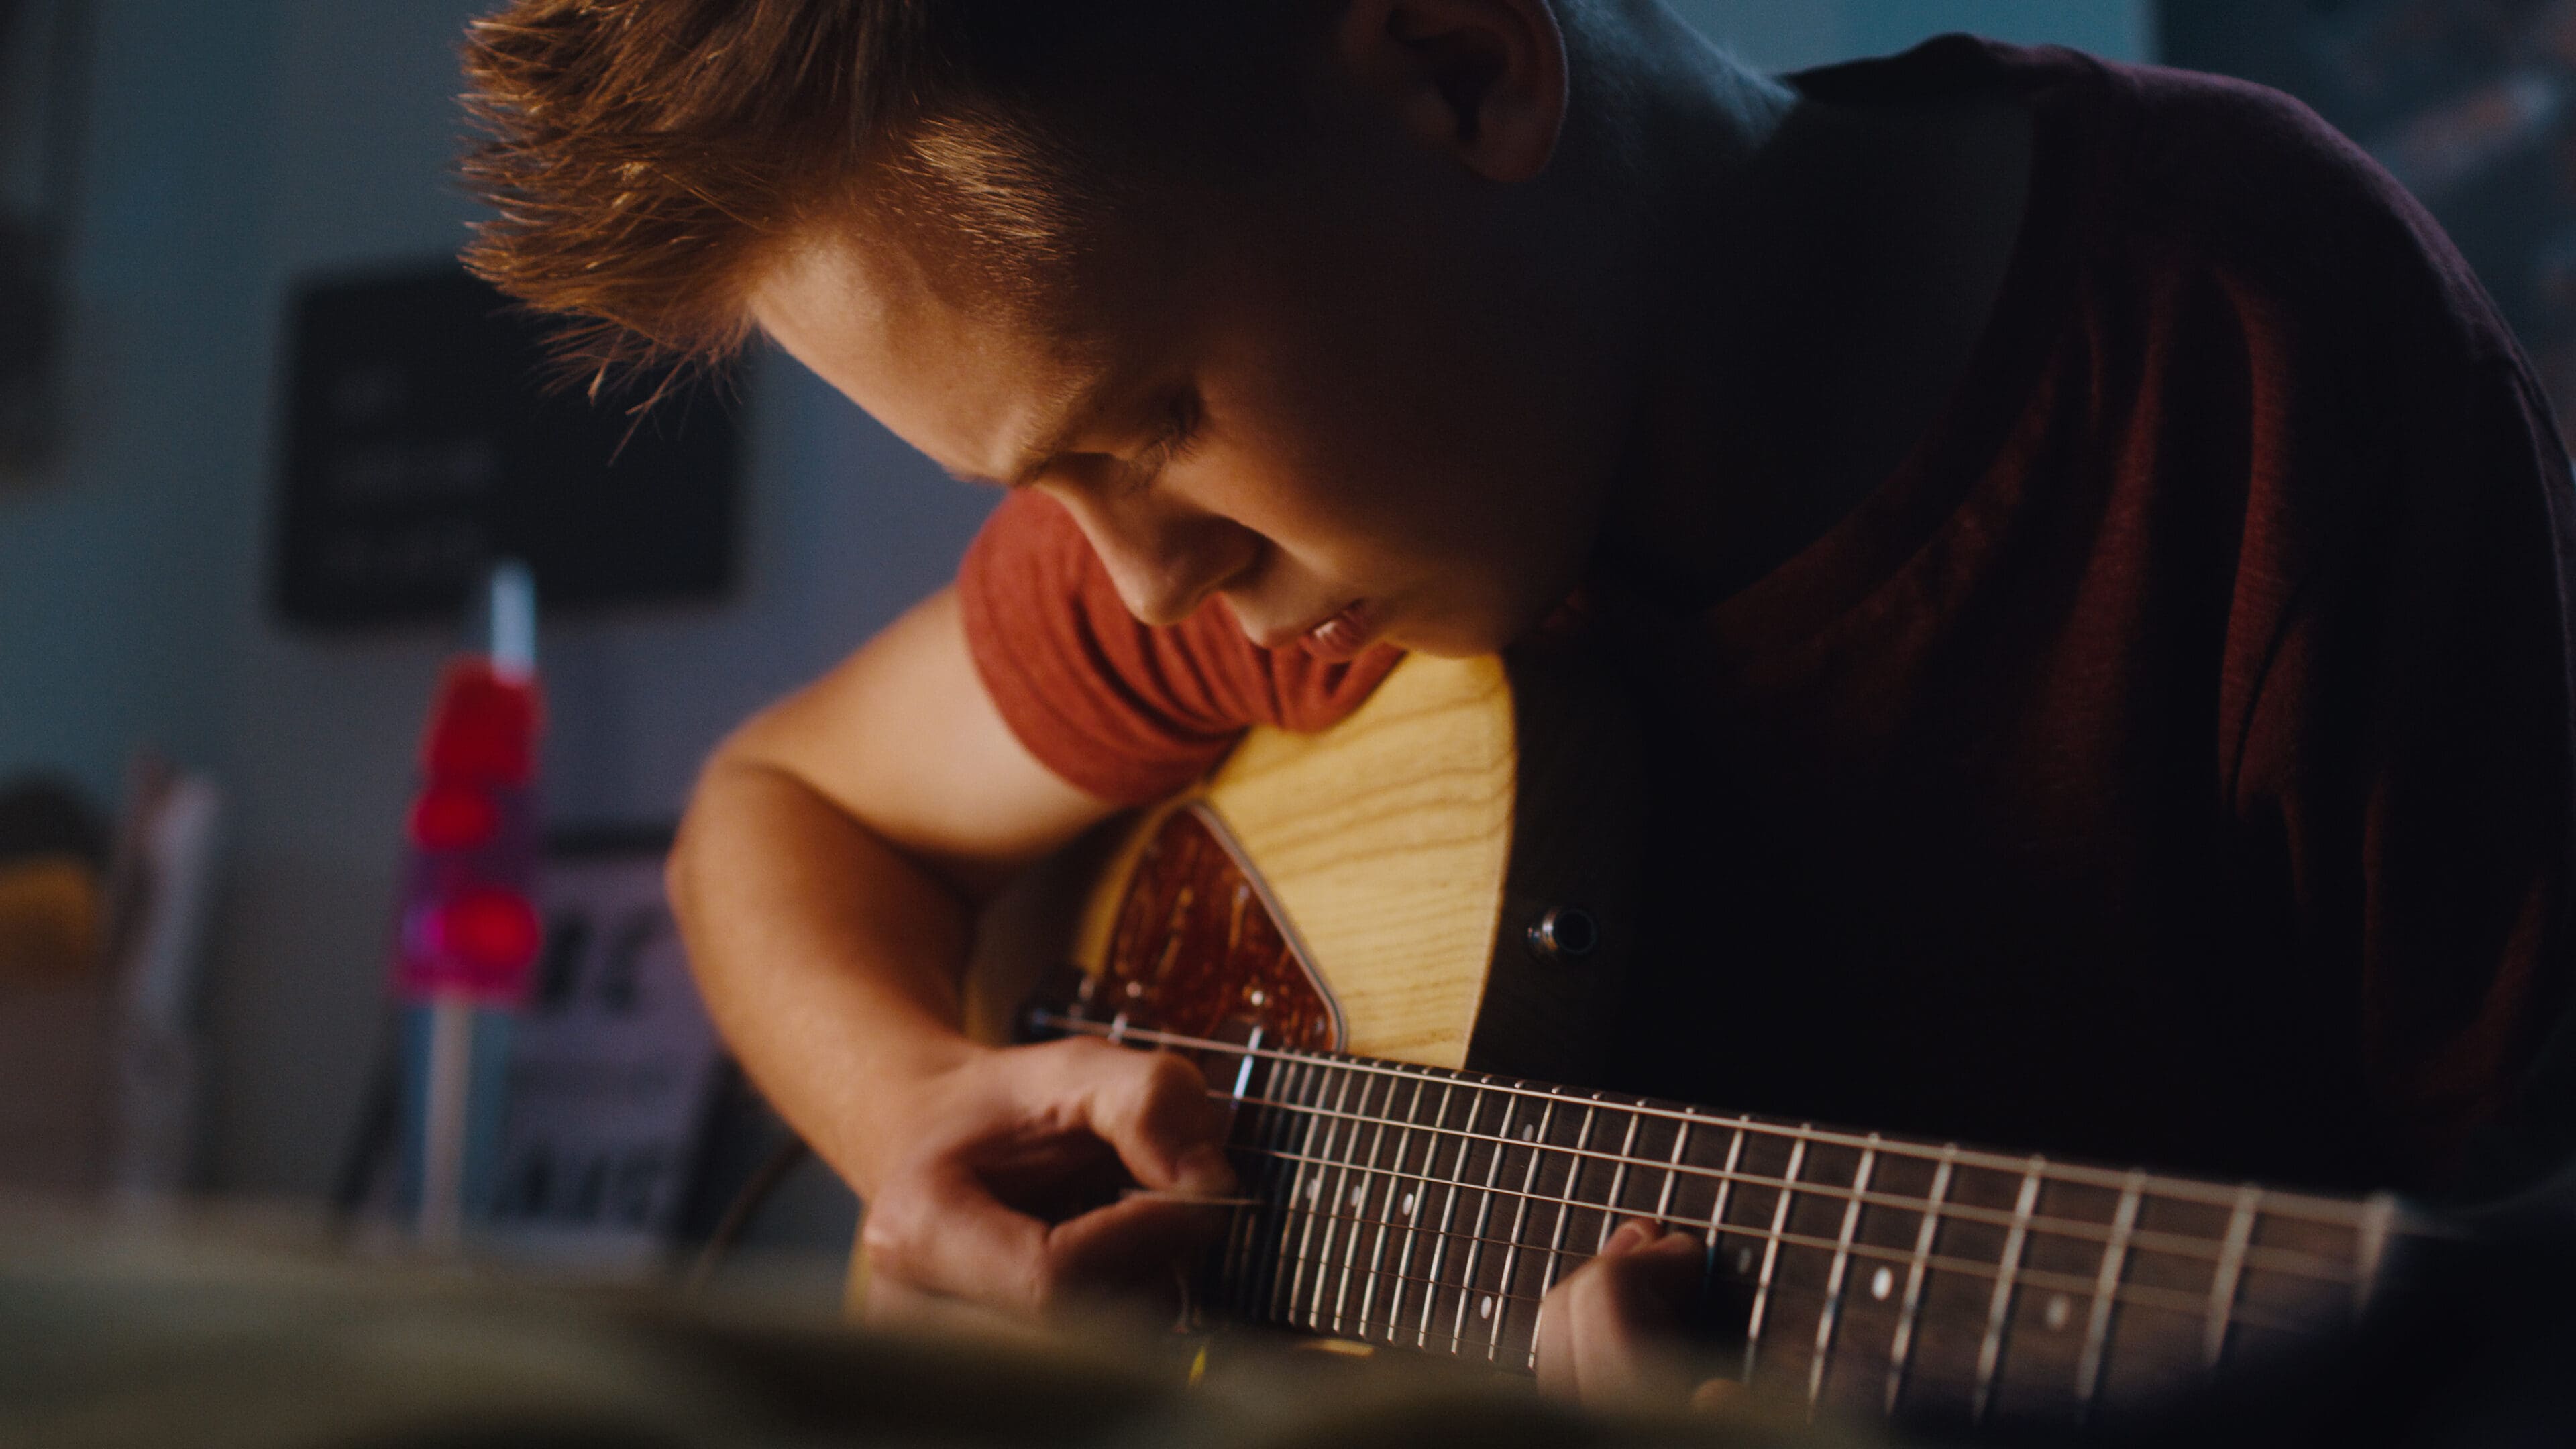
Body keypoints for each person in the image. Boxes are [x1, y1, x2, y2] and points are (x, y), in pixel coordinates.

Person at [458, 0, 2576, 1407]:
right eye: (1042, 488)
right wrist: (907, 1105)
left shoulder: (2258, 377)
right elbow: (788, 800)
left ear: (1466, 65)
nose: (1137, 576)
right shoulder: (1290, 555)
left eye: (1146, 425)